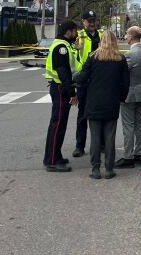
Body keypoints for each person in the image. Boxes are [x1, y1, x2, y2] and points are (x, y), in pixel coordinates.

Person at [76, 31, 129, 179]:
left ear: (101, 41)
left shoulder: (93, 58)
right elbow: (125, 83)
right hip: (112, 102)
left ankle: (95, 169)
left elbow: (82, 78)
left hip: (94, 102)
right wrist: (121, 98)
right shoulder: (120, 59)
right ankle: (109, 169)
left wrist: (73, 79)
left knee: (95, 137)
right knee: (110, 136)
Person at [42, 21, 79, 172]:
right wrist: (72, 92)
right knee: (58, 125)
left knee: (59, 124)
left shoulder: (63, 45)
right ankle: (52, 160)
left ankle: (55, 155)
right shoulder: (61, 47)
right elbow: (63, 72)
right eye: (74, 31)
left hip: (59, 87)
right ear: (68, 32)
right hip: (60, 88)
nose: (75, 34)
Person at [115, 26, 141, 169]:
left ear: (132, 36)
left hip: (129, 93)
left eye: (127, 35)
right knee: (139, 123)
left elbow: (122, 73)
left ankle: (128, 156)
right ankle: (139, 154)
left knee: (128, 125)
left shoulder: (130, 54)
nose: (125, 37)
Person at [72, 10, 103, 158]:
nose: (92, 23)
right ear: (83, 22)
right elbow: (72, 58)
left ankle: (102, 145)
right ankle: (80, 146)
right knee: (83, 115)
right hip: (84, 80)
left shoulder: (102, 35)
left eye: (93, 20)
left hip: (100, 80)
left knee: (102, 114)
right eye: (89, 21)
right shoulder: (78, 37)